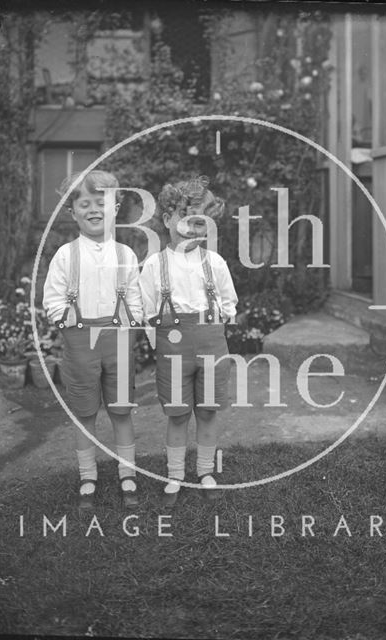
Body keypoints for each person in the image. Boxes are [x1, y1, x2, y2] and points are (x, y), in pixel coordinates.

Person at [43, 170, 143, 510]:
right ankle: (88, 475)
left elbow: (135, 297)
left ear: (115, 207)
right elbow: (53, 298)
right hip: (79, 341)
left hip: (118, 340)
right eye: (84, 204)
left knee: (121, 410)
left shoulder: (126, 255)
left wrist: (133, 320)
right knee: (84, 412)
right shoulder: (65, 255)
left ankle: (127, 472)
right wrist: (62, 316)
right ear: (73, 212)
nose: (93, 209)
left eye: (101, 202)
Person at [139, 176, 238, 506]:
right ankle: (175, 473)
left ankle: (206, 470)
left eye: (200, 222)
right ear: (167, 219)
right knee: (178, 414)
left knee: (208, 411)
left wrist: (220, 321)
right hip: (172, 348)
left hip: (211, 345)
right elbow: (147, 309)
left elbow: (228, 301)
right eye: (185, 219)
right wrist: (158, 342)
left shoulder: (215, 263)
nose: (192, 229)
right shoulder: (155, 265)